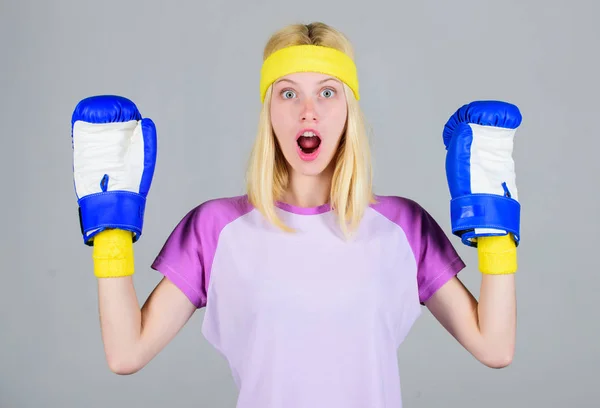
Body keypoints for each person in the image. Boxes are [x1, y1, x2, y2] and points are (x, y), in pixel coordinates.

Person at [71, 21, 520, 408]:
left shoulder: (403, 227)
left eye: (327, 92)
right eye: (289, 93)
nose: (309, 111)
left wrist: (497, 228)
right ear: (269, 111)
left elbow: (494, 346)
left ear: (349, 111)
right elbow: (126, 353)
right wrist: (110, 230)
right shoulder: (215, 229)